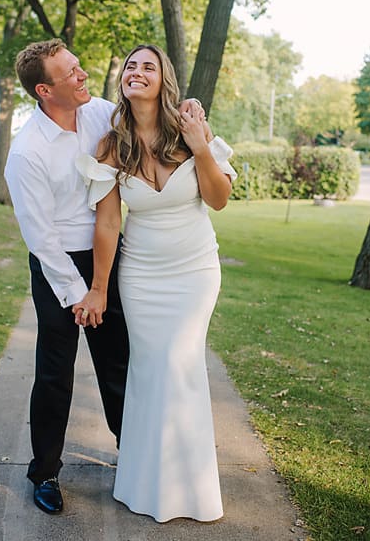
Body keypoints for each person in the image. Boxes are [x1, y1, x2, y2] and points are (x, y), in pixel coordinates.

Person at [77, 43, 236, 522]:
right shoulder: (111, 145)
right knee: (150, 371)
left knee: (180, 364)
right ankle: (145, 483)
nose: (137, 72)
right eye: (130, 66)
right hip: (142, 278)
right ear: (123, 82)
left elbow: (219, 198)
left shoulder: (191, 129)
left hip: (194, 272)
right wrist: (100, 288)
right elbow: (107, 224)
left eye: (148, 66)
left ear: (164, 77)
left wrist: (202, 146)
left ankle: (192, 488)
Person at [4, 39, 130, 515]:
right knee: (55, 372)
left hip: (107, 254)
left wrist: (190, 106)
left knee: (117, 360)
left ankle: (132, 451)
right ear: (44, 89)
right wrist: (81, 296)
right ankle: (46, 472)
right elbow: (40, 237)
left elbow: (149, 115)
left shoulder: (100, 112)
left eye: (79, 66)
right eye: (71, 73)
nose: (83, 76)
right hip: (58, 265)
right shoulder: (27, 152)